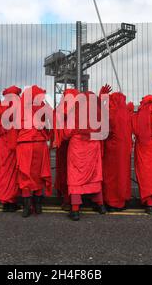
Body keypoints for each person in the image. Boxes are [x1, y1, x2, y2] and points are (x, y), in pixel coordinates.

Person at [54, 89, 106, 221]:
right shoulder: (97, 114)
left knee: (75, 177)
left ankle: (75, 210)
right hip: (93, 145)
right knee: (95, 175)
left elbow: (66, 133)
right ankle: (100, 205)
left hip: (77, 146)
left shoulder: (75, 113)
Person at [16, 85, 52, 218]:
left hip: (24, 144)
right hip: (39, 143)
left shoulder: (20, 106)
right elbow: (50, 123)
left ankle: (26, 207)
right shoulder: (42, 106)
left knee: (25, 175)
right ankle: (38, 205)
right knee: (38, 174)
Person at [0, 86, 22, 212]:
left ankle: (4, 201)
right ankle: (11, 201)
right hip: (14, 144)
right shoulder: (19, 108)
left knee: (2, 173)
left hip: (1, 146)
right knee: (13, 173)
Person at [101, 84, 134, 212]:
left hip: (113, 149)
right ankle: (122, 200)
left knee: (111, 176)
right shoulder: (125, 112)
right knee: (123, 175)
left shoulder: (111, 112)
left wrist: (102, 96)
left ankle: (112, 201)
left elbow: (102, 125)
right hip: (125, 149)